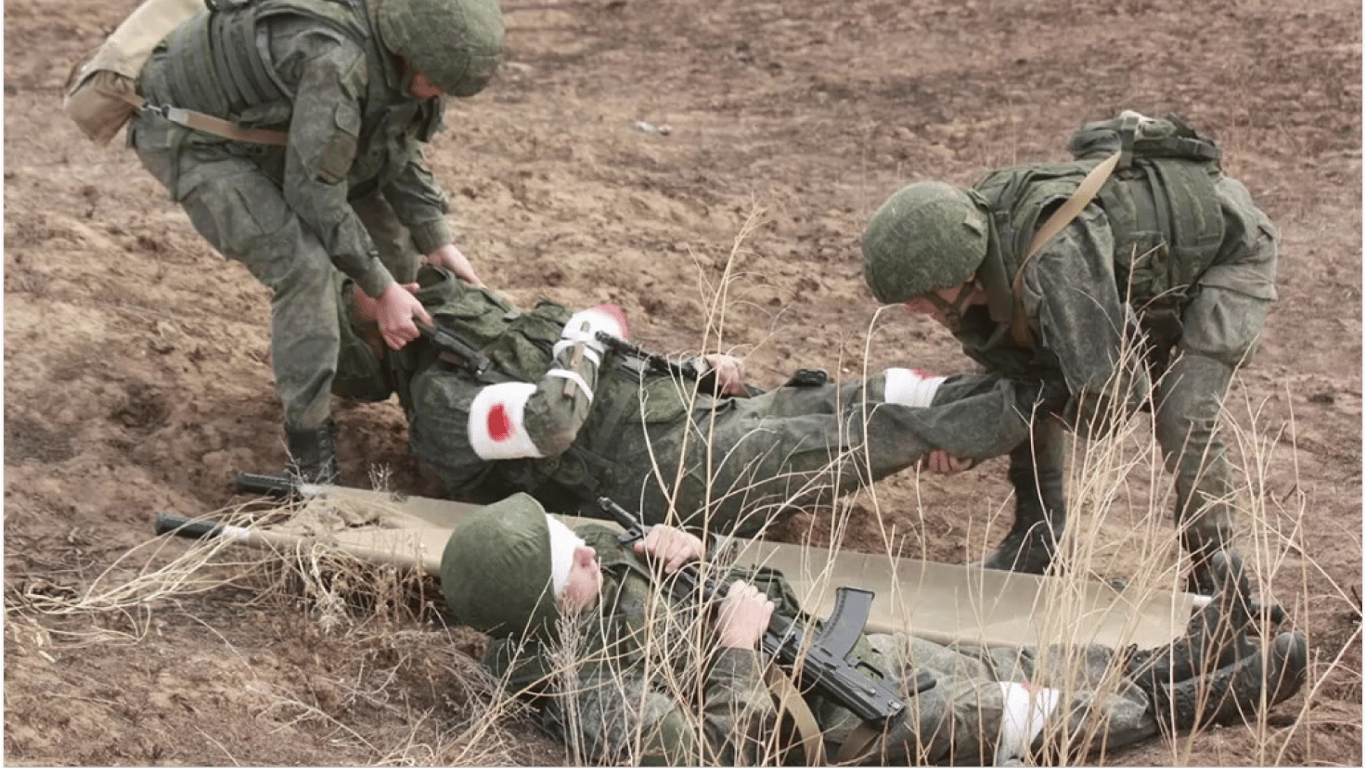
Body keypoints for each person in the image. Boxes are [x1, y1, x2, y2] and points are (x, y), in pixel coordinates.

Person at [439, 493, 1307, 766]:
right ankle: (1177, 707)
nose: (587, 552)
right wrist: (738, 657)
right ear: (548, 605)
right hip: (824, 724)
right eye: (571, 562)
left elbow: (743, 585)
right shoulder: (597, 698)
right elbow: (719, 757)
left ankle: (1168, 653)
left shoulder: (575, 568)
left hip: (825, 648)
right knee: (999, 711)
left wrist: (695, 554)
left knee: (1001, 651)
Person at [859, 112, 1279, 592]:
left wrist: (987, 431)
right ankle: (1038, 541)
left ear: (957, 270)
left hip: (1229, 255)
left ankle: (1219, 574)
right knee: (1035, 382)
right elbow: (1020, 380)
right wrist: (970, 445)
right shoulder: (974, 249)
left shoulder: (1053, 263)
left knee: (1182, 412)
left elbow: (1110, 398)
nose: (914, 309)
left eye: (919, 296)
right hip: (1138, 274)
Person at [330, 264, 1060, 537]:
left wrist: (689, 369)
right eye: (370, 283)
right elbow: (551, 424)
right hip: (675, 477)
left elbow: (593, 379)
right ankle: (1054, 392)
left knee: (893, 391)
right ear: (377, 340)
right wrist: (588, 330)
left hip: (689, 421)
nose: (391, 268)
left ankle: (1021, 385)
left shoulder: (474, 338)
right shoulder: (441, 406)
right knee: (883, 425)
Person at [127, 0, 505, 482]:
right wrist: (379, 287)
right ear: (409, 53)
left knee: (398, 258)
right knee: (302, 267)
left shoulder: (407, 53)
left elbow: (391, 144)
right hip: (193, 133)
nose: (439, 94)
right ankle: (308, 451)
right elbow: (315, 193)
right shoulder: (336, 60)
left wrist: (436, 240)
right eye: (437, 82)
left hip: (274, 126)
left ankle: (370, 372)